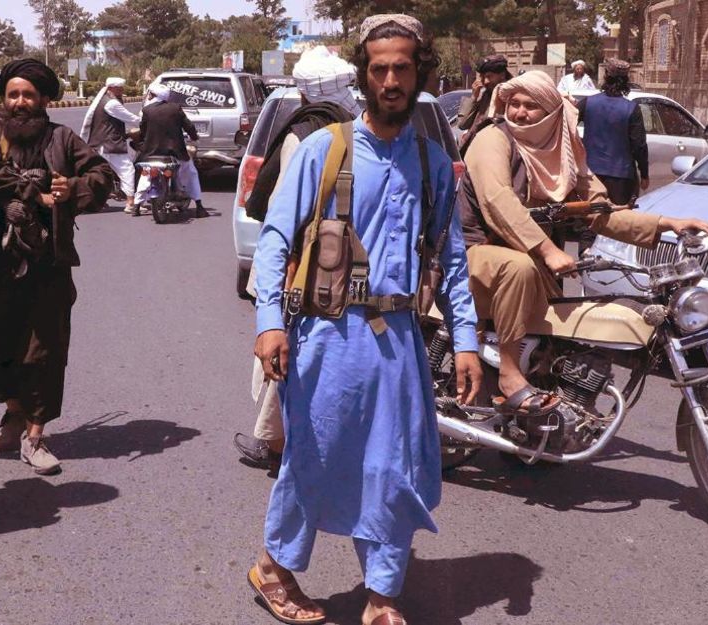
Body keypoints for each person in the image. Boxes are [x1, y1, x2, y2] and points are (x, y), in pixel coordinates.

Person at [248, 15, 481, 625]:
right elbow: (275, 238)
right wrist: (269, 320)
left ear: (419, 73)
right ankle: (274, 569)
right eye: (379, 69)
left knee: (394, 464)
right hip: (327, 334)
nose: (391, 79)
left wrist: (467, 342)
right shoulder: (327, 149)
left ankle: (381, 594)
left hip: (401, 338)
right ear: (364, 78)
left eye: (402, 67)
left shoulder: (433, 164)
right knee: (313, 455)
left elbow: (451, 256)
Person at [460, 70, 708, 412]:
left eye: (530, 106)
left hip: (530, 259)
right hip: (471, 252)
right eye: (514, 104)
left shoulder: (565, 152)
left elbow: (601, 212)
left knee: (569, 329)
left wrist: (668, 223)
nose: (519, 113)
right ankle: (508, 371)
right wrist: (548, 250)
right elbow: (498, 201)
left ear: (551, 112)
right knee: (519, 267)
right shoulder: (493, 139)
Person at [0, 58, 114, 475]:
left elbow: (104, 176)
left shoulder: (62, 138)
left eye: (29, 94)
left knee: (44, 351)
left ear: (44, 99)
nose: (20, 102)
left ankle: (34, 434)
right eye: (13, 94)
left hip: (47, 264)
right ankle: (13, 411)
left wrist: (72, 188)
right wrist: (36, 189)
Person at [232, 45, 361, 471]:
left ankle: (274, 442)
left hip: (307, 263)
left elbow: (284, 214)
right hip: (329, 260)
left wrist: (285, 268)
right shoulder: (348, 126)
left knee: (288, 350)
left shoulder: (305, 132)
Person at [576, 59, 648, 205]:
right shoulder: (631, 108)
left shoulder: (587, 103)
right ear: (626, 80)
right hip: (621, 178)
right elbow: (639, 145)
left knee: (589, 220)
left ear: (606, 76)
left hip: (590, 176)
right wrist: (644, 174)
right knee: (619, 220)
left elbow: (567, 127)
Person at [133, 83, 207, 217]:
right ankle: (199, 206)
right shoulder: (175, 108)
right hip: (175, 152)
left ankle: (136, 206)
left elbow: (143, 132)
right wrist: (194, 137)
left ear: (153, 95)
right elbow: (188, 126)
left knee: (146, 175)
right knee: (191, 173)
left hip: (151, 153)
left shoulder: (147, 110)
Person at [80, 76, 142, 213]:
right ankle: (131, 202)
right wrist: (147, 121)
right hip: (109, 145)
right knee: (127, 170)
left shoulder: (107, 100)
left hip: (102, 144)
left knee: (101, 173)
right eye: (119, 89)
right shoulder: (111, 104)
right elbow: (130, 118)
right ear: (111, 89)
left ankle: (97, 200)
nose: (122, 91)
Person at [457, 54, 512, 135]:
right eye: (482, 77)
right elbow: (462, 125)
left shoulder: (513, 97)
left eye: (489, 76)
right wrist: (474, 97)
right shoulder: (485, 96)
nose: (485, 81)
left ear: (502, 75)